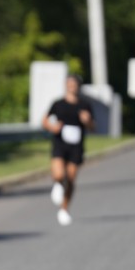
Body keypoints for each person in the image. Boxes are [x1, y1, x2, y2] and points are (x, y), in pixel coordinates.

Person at [42, 74, 94, 226]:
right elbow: (45, 120)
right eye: (69, 84)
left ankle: (64, 209)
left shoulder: (85, 105)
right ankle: (58, 185)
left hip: (76, 145)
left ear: (78, 86)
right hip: (60, 142)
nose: (71, 87)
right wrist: (52, 127)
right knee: (59, 173)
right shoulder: (58, 104)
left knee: (70, 178)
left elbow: (93, 126)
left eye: (74, 84)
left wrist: (87, 121)